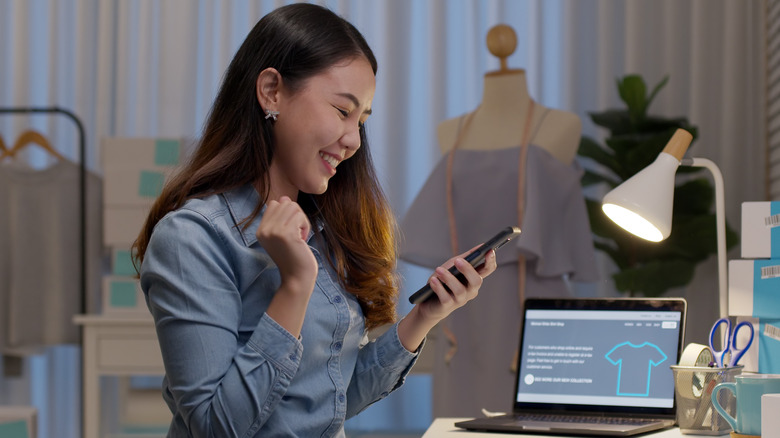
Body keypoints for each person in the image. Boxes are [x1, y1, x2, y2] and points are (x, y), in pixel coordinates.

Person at [131, 3, 496, 437]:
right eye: (343, 111)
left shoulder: (320, 230)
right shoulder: (191, 239)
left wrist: (425, 317)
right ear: (271, 91)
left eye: (362, 120)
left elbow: (328, 400)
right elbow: (215, 428)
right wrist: (294, 285)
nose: (354, 140)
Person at [400, 25, 597, 417]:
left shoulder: (560, 126)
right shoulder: (451, 131)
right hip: (463, 308)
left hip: (537, 303)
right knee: (461, 416)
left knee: (547, 417)